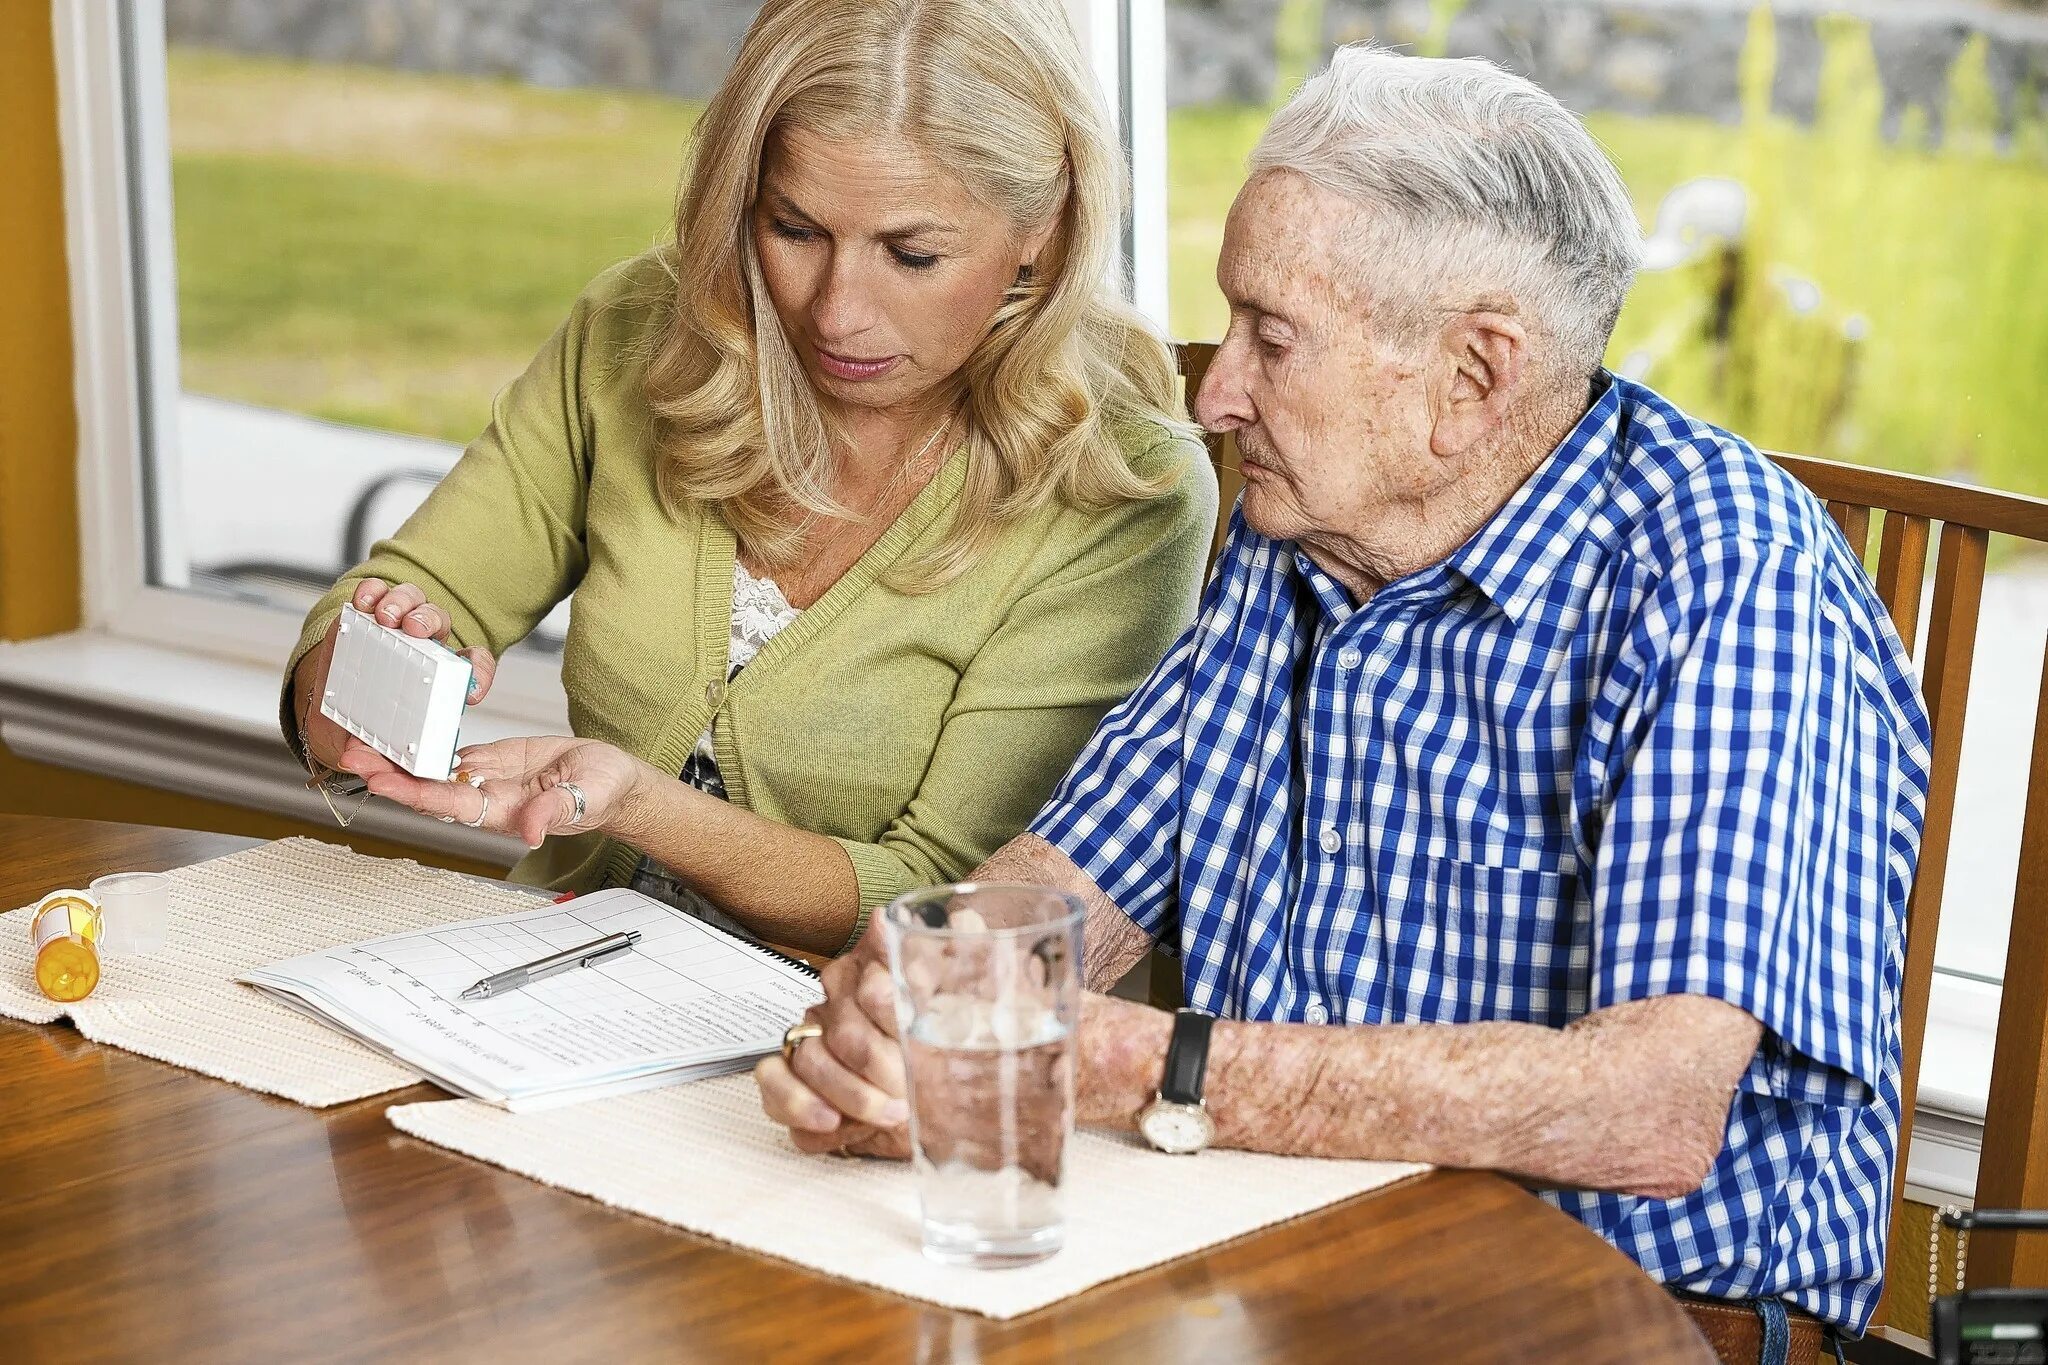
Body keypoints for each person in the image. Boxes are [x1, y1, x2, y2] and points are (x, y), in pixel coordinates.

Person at [756, 46, 1931, 1358]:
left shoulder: (1726, 582)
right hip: (1284, 1270)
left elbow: (1645, 1111)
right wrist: (922, 999)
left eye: (1272, 336)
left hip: (1633, 1326)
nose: (1216, 394)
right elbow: (1076, 877)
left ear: (1474, 378)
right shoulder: (1304, 522)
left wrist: (1128, 1065)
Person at [283, 0, 1217, 956]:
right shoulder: (636, 333)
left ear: (1045, 230)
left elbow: (951, 906)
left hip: (854, 1052)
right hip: (546, 991)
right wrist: (375, 671)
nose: (837, 312)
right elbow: (381, 627)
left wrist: (644, 807)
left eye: (913, 253)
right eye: (795, 229)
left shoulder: (1125, 489)